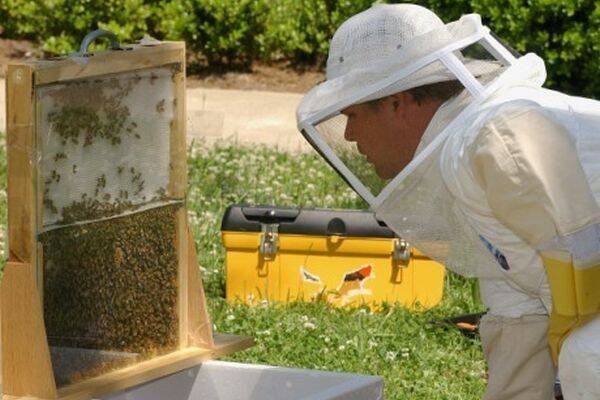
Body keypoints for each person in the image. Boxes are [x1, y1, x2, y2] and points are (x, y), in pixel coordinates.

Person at [296, 4, 600, 400]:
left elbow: (585, 273)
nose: (349, 135)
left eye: (352, 114)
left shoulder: (495, 134)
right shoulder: (465, 159)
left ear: (397, 103)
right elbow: (519, 317)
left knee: (587, 355)